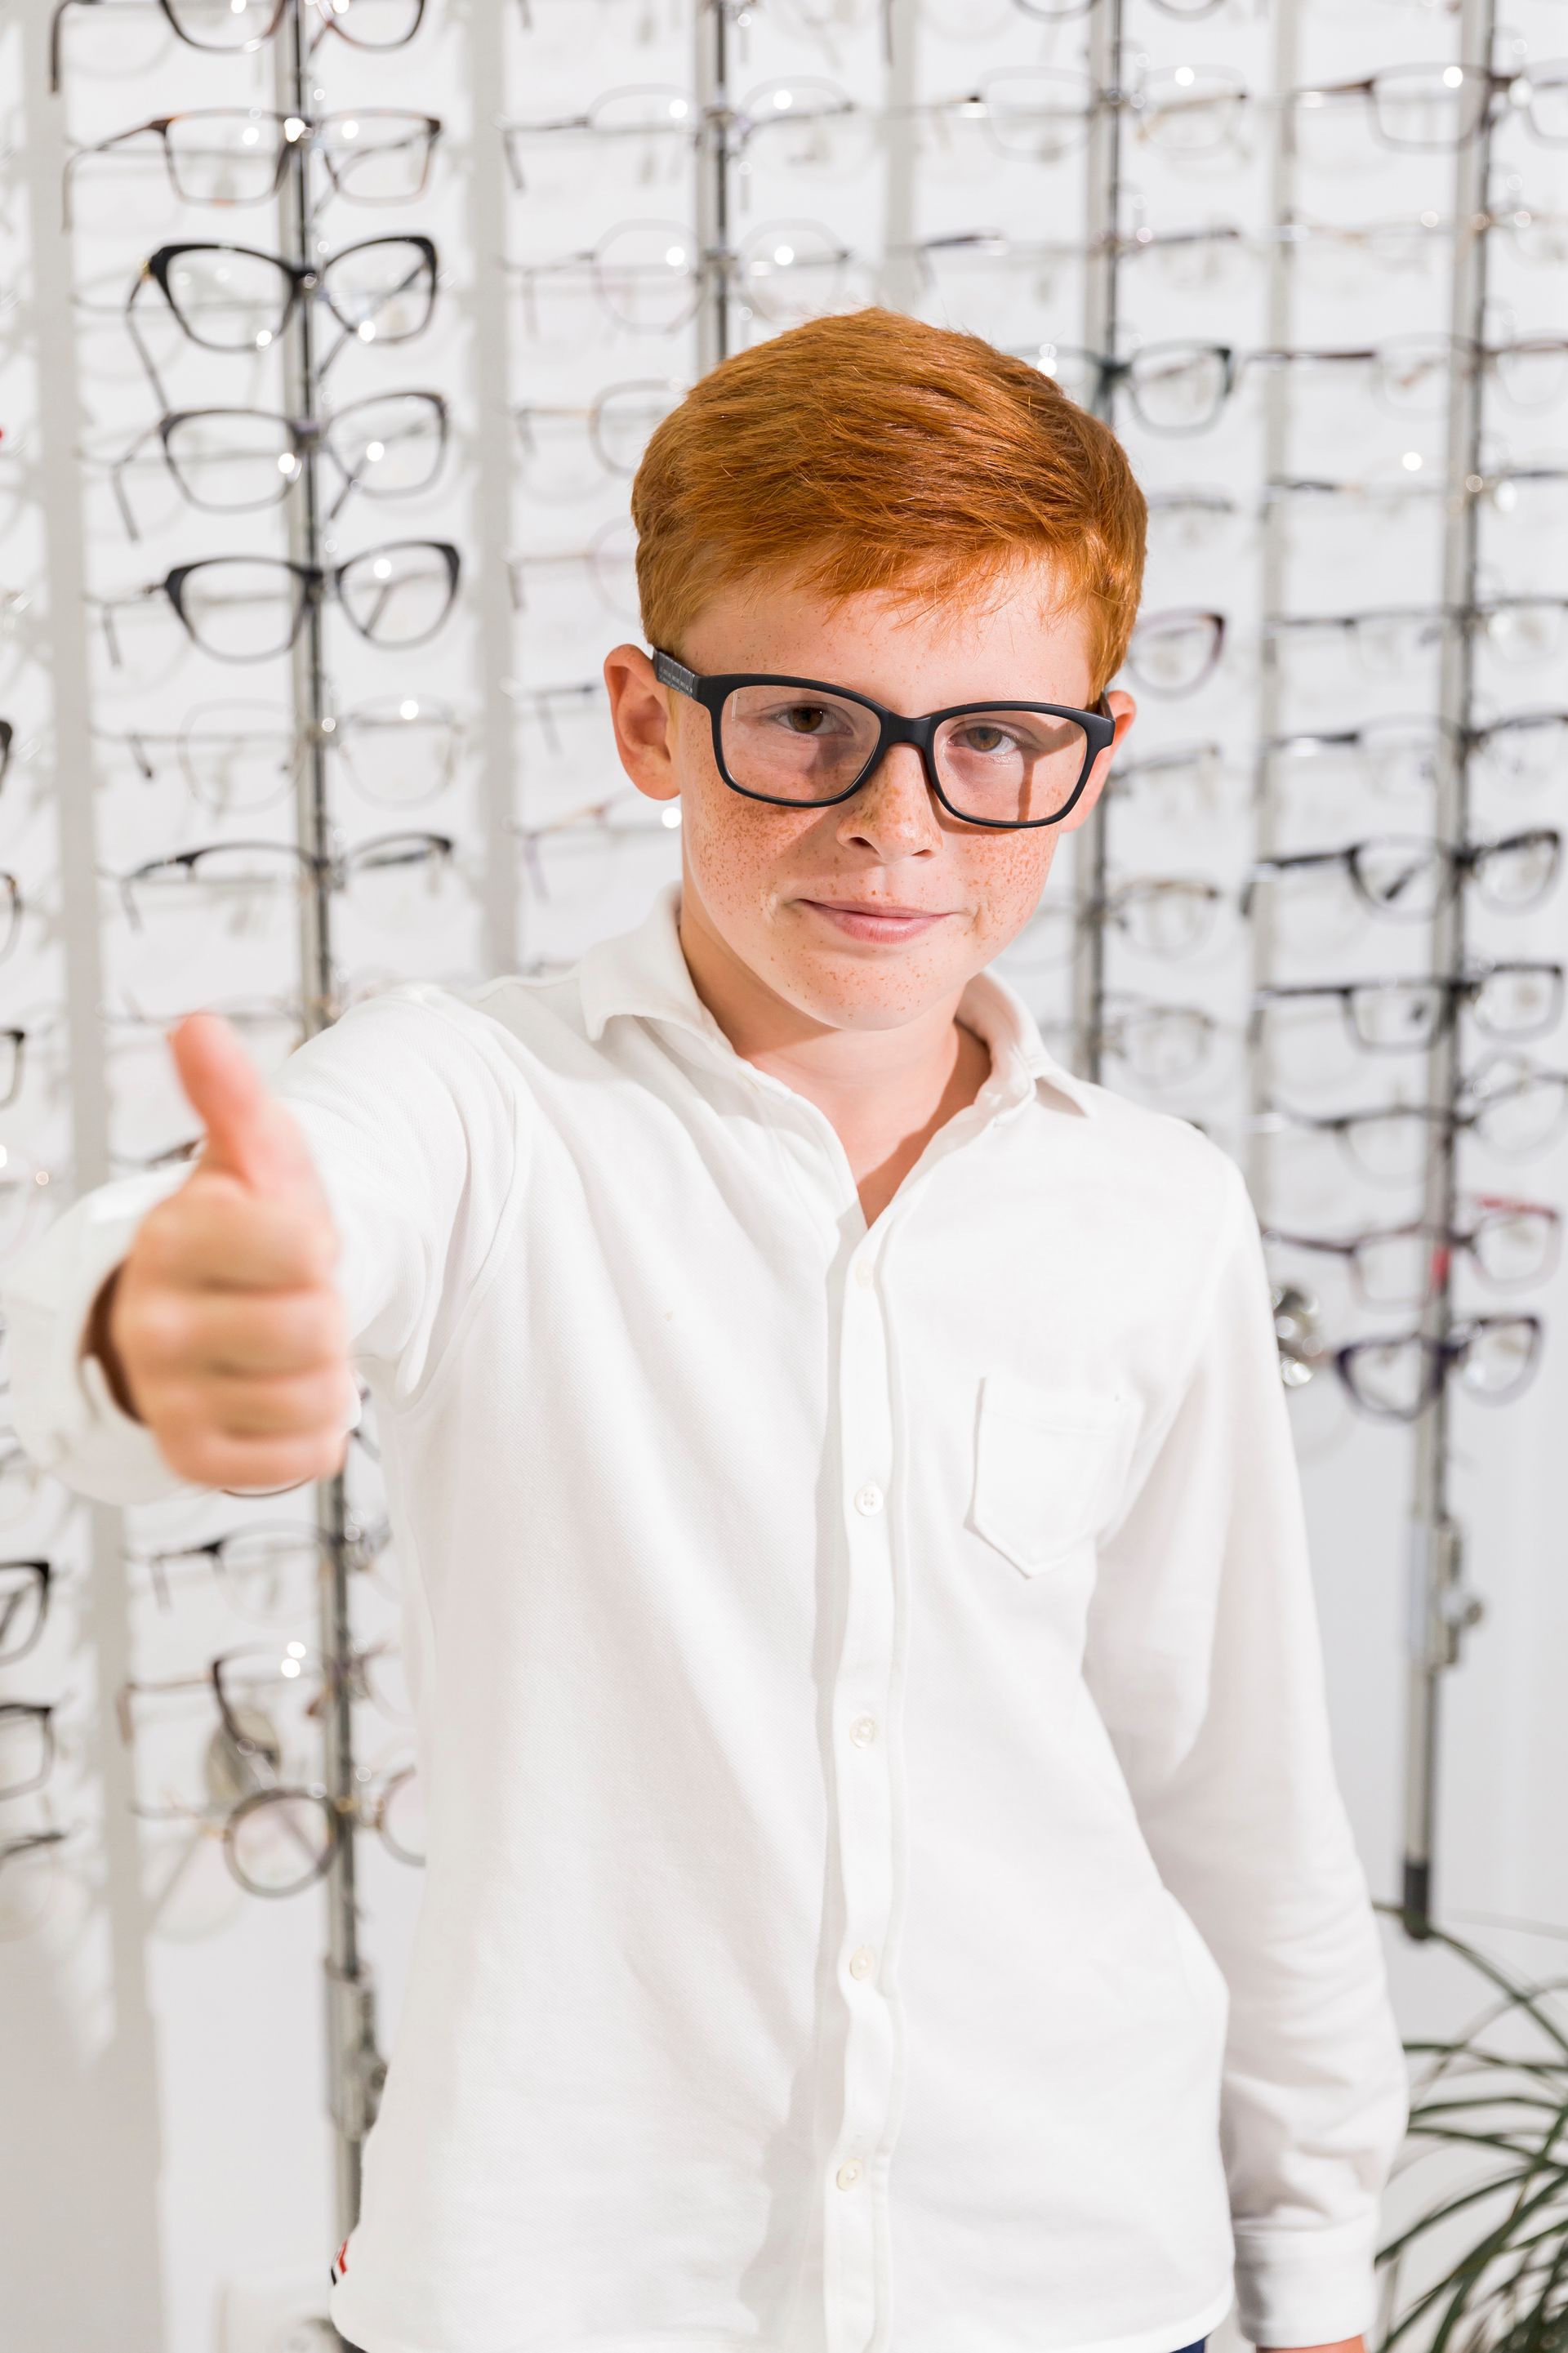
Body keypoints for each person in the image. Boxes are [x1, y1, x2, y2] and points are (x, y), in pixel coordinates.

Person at [5, 307, 1407, 2353]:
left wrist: (1315, 2257)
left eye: (994, 740)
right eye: (809, 724)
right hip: (560, 2295)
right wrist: (162, 1318)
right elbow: (229, 1239)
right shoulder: (468, 1104)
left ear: (1090, 753)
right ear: (652, 721)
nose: (899, 821)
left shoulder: (1156, 1212)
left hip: (1087, 2285)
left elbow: (1235, 1789)